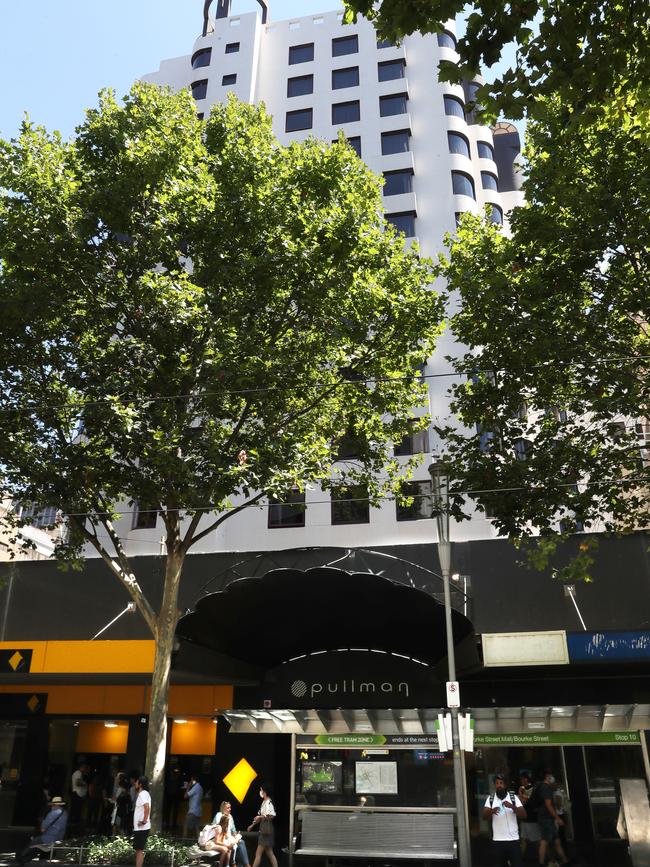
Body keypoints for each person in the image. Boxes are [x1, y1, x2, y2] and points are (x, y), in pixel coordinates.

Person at [482, 773, 526, 867]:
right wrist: (491, 811)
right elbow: (484, 816)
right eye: (497, 783)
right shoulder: (491, 799)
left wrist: (512, 806)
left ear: (505, 785)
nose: (499, 785)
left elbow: (523, 815)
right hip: (498, 841)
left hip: (513, 841)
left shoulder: (513, 798)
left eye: (501, 783)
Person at [16, 796, 68, 865]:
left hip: (48, 838)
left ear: (54, 804)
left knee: (34, 843)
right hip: (59, 838)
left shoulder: (52, 813)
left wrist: (43, 821)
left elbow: (42, 829)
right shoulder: (65, 813)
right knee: (39, 845)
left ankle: (22, 857)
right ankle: (37, 858)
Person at [536, 770, 569, 867]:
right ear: (547, 777)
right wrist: (557, 818)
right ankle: (541, 863)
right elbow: (548, 805)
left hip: (548, 818)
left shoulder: (544, 788)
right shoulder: (545, 788)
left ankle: (565, 860)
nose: (552, 778)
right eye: (551, 776)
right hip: (546, 819)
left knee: (556, 840)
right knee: (545, 841)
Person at [248, 786, 278, 867]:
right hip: (264, 828)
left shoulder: (268, 802)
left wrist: (261, 817)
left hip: (266, 830)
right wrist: (252, 825)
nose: (260, 791)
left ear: (265, 791)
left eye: (261, 790)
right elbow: (261, 817)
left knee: (258, 853)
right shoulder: (264, 802)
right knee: (269, 853)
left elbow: (272, 816)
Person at [213, 800, 250, 867]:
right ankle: (237, 864)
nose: (230, 809)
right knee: (237, 844)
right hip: (222, 838)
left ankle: (245, 864)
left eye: (230, 807)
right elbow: (216, 828)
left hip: (229, 837)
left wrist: (236, 835)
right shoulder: (219, 815)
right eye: (228, 808)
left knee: (241, 842)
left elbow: (233, 830)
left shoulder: (230, 816)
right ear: (223, 808)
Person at [518, 772, 541, 856]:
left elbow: (523, 802)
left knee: (537, 841)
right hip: (527, 818)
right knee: (524, 840)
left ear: (526, 779)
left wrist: (521, 794)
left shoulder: (529, 789)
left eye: (522, 779)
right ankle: (518, 859)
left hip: (531, 819)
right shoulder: (527, 789)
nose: (521, 781)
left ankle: (548, 858)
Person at [133, 775, 151, 867]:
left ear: (140, 784)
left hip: (141, 827)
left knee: (139, 850)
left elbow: (146, 807)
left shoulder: (142, 794)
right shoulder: (145, 793)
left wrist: (144, 821)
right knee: (139, 850)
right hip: (141, 827)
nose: (135, 783)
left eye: (136, 782)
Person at [70, 761, 88, 829]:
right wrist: (85, 784)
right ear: (81, 767)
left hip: (76, 793)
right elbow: (77, 783)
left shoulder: (76, 773)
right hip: (78, 794)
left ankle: (73, 823)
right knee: (77, 810)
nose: (85, 769)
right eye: (84, 767)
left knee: (75, 809)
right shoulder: (78, 773)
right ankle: (74, 824)